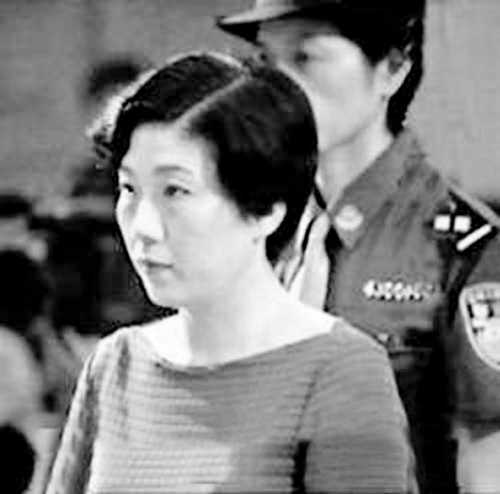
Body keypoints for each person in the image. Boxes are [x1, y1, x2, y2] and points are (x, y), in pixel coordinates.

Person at [45, 52, 415, 494]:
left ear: (266, 209)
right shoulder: (115, 365)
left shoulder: (340, 370)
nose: (143, 225)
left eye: (175, 190)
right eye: (129, 188)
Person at [217, 1, 500, 493]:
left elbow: (489, 446)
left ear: (392, 68)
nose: (278, 89)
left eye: (306, 58)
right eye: (266, 63)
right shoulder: (250, 231)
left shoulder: (461, 245)